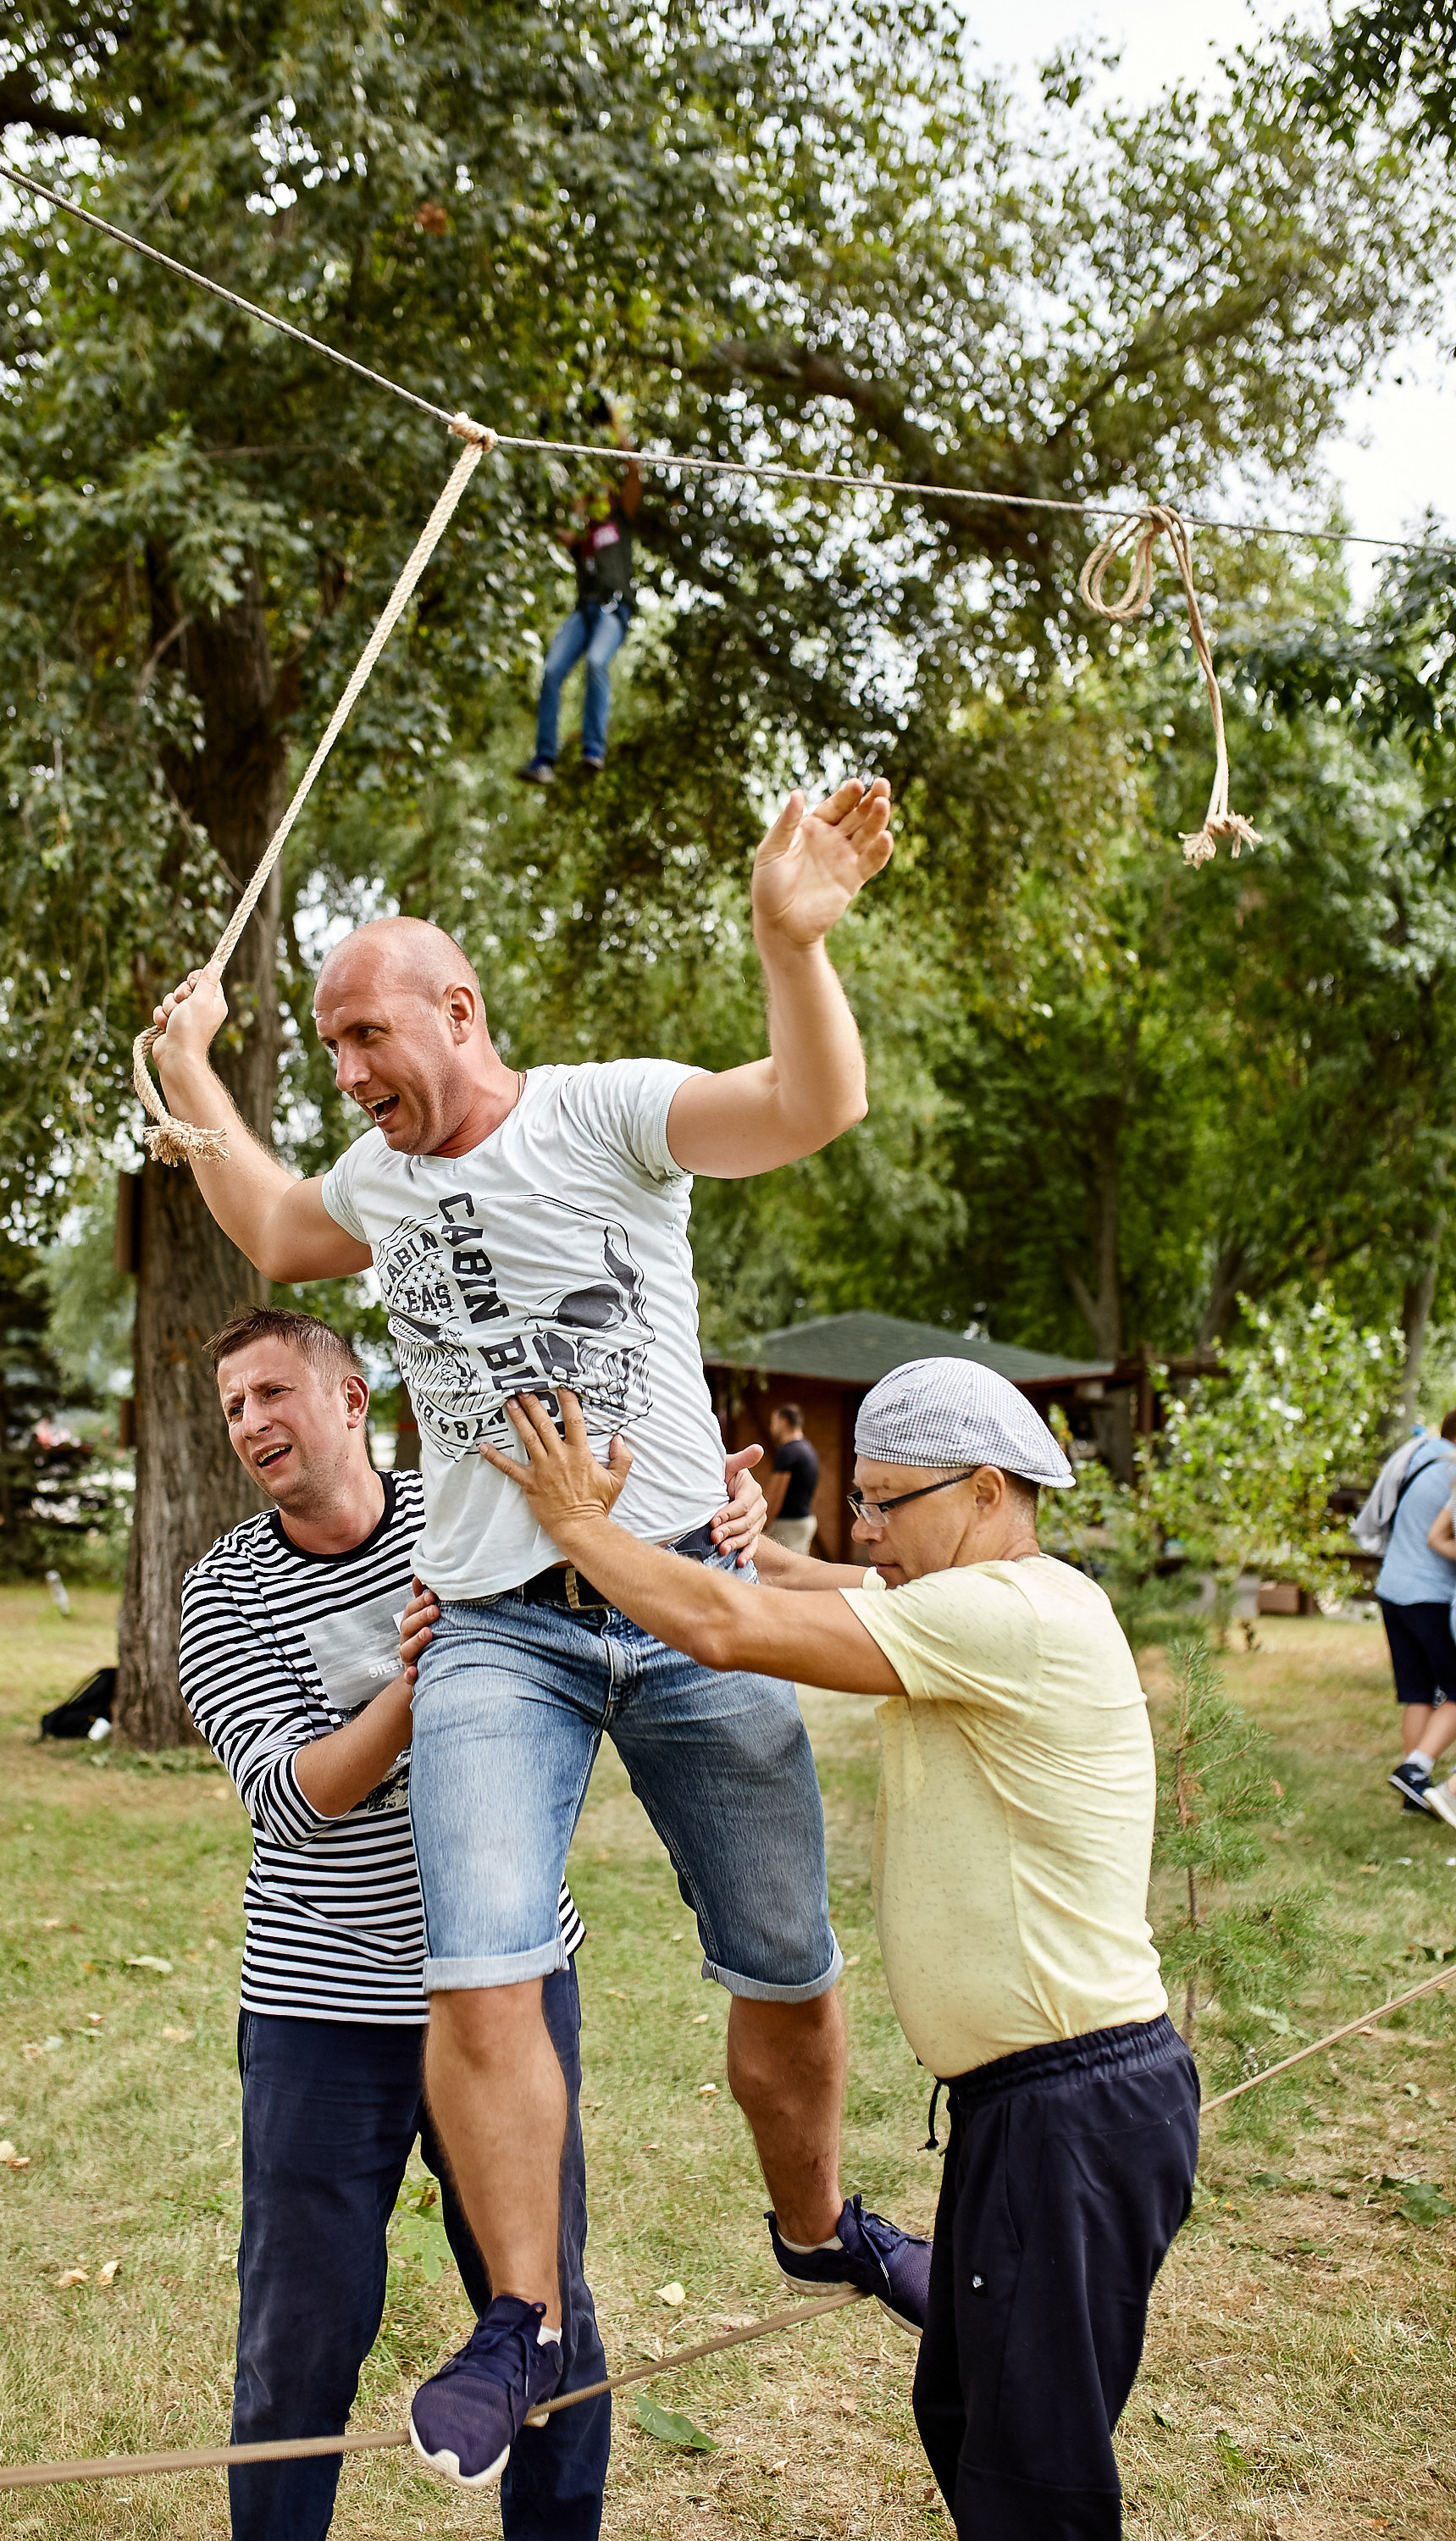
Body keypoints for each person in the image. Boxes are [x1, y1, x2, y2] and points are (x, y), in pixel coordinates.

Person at [147, 776, 929, 2494]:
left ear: (459, 1010)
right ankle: (519, 2320)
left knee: (786, 1968)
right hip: (497, 1625)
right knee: (481, 1958)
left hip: (674, 1596)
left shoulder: (602, 1115)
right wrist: (195, 1067)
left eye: (369, 1035)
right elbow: (277, 1224)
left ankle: (817, 2226)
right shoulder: (376, 1173)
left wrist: (789, 944)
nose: (352, 1075)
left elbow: (809, 1104)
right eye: (335, 1051)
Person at [469, 1359, 1198, 2541]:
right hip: (1032, 2108)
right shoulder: (988, 1598)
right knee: (967, 2415)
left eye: (887, 1501)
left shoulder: (1013, 1614)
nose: (867, 1531)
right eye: (857, 1500)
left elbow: (727, 1625)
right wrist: (734, 1536)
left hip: (1073, 2111)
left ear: (987, 1491)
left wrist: (575, 1527)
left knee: (1035, 2475)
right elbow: (814, 1579)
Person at [179, 1303, 768, 2535]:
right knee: (300, 2331)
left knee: (543, 2305)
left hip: (499, 1978)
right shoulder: (223, 1587)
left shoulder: (460, 1520)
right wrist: (415, 1688)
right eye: (234, 1407)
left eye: (273, 1393)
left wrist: (721, 1531)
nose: (251, 1424)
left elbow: (614, 1568)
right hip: (321, 2004)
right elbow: (292, 1798)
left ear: (350, 1401)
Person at [517, 401, 639, 783]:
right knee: (552, 670)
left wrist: (612, 423)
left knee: (597, 663)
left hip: (613, 611)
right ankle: (544, 761)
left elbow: (633, 467)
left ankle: (593, 752)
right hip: (583, 613)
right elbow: (561, 525)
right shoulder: (580, 536)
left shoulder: (622, 517)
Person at [1362, 1413, 1456, 1819]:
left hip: (1392, 1588)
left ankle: (1413, 1793)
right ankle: (1416, 1767)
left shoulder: (1417, 1455)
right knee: (1455, 1690)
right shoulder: (1451, 1468)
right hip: (1429, 1593)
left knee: (1417, 1691)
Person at [764, 1402, 821, 1555]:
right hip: (805, 1520)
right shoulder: (808, 1449)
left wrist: (765, 1524)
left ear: (784, 1422)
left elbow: (776, 1493)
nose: (771, 1427)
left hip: (788, 1524)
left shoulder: (788, 1452)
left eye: (773, 1422)